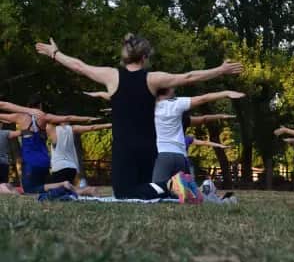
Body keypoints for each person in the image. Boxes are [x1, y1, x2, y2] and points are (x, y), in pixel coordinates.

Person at [35, 34, 242, 201]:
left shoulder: (111, 76)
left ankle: (172, 184)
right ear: (144, 58)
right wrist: (220, 70)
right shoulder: (153, 79)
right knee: (144, 192)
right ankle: (178, 187)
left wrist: (55, 54)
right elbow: (188, 77)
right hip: (149, 148)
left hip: (125, 148)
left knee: (124, 194)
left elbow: (79, 66)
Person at [0, 96, 99, 194]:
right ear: (40, 106)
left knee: (29, 189)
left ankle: (63, 184)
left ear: (28, 106)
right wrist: (88, 118)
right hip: (45, 160)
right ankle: (81, 190)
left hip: (30, 161)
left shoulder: (19, 117)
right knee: (44, 188)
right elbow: (68, 118)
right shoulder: (44, 117)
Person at [152, 88, 244, 183]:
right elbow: (203, 107)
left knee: (159, 189)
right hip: (181, 157)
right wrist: (225, 94)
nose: (174, 89)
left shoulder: (147, 108)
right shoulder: (177, 106)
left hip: (162, 155)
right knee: (183, 192)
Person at [46, 119, 112, 195]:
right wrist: (109, 125)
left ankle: (87, 190)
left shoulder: (53, 130)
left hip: (59, 167)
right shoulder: (72, 129)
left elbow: (45, 120)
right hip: (72, 168)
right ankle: (86, 190)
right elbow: (92, 127)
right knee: (68, 190)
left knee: (52, 190)